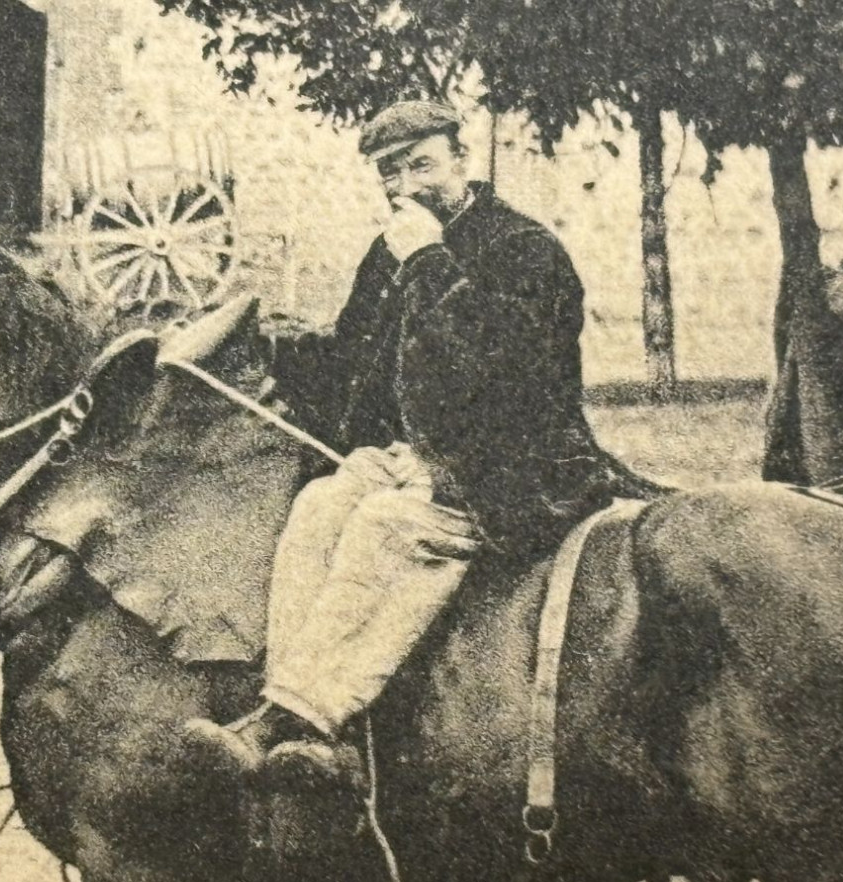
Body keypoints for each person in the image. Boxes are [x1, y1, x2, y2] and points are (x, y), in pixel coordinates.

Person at [183, 100, 661, 784]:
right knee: (320, 504)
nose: (407, 185)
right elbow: (352, 363)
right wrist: (257, 349)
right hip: (416, 459)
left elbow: (502, 369)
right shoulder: (392, 252)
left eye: (423, 165)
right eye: (391, 172)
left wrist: (430, 261)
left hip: (517, 466)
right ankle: (284, 710)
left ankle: (317, 719)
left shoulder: (525, 250)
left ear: (461, 161)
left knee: (388, 525)